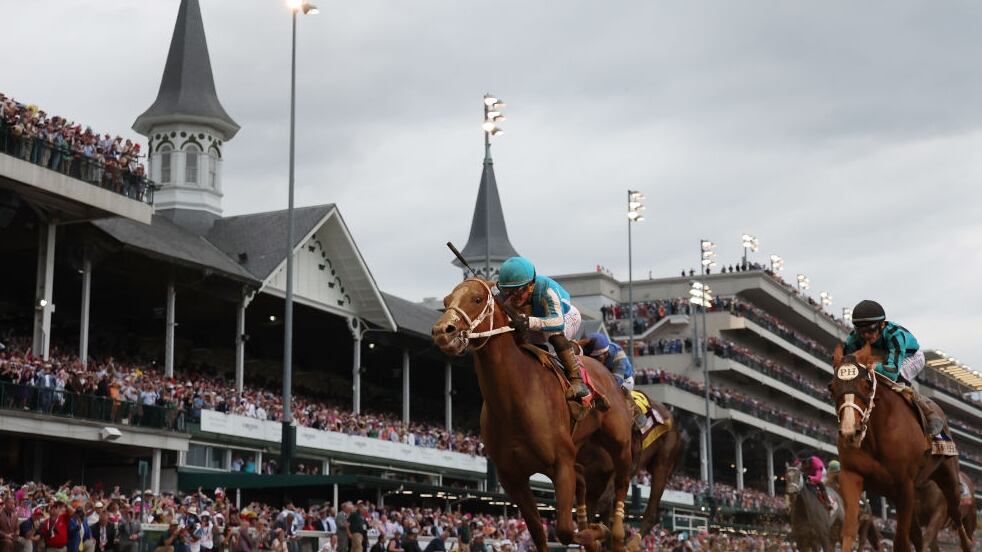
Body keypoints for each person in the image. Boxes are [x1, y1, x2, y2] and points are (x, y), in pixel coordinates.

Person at [497, 257, 591, 404]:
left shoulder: (546, 289)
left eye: (517, 291)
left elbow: (557, 322)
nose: (511, 297)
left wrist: (528, 321)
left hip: (566, 317)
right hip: (537, 322)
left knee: (554, 335)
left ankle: (577, 380)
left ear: (531, 285)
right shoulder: (509, 294)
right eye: (506, 291)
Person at [843, 299, 943, 436]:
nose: (865, 335)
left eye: (870, 330)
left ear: (882, 325)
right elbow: (845, 367)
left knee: (896, 378)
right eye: (861, 331)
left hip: (910, 356)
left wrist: (868, 367)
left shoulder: (895, 335)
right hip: (882, 356)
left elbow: (891, 372)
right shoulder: (852, 339)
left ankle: (928, 412)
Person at [581, 332, 647, 428]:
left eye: (603, 355)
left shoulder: (618, 354)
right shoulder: (586, 352)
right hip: (603, 377)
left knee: (620, 389)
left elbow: (616, 382)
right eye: (595, 357)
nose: (603, 357)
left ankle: (637, 413)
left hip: (624, 379)